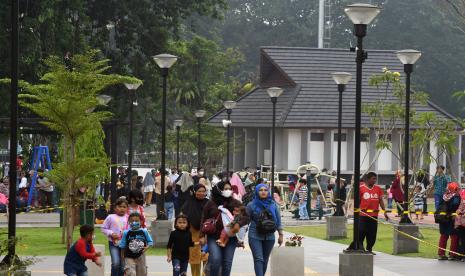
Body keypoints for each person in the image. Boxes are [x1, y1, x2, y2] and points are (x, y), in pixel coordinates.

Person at [201, 181, 249, 276]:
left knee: (227, 263)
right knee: (215, 260)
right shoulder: (211, 203)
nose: (228, 191)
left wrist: (238, 224)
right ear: (219, 190)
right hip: (213, 237)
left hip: (231, 238)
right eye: (225, 189)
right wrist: (202, 235)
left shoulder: (236, 203)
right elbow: (203, 219)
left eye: (229, 189)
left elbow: (246, 217)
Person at [247, 183, 284, 276]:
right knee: (259, 259)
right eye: (260, 190)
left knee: (265, 259)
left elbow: (278, 220)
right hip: (255, 234)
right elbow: (245, 221)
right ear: (256, 191)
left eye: (265, 190)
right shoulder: (251, 205)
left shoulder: (273, 204)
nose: (263, 192)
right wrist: (239, 237)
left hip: (270, 235)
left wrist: (281, 235)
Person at [181, 184, 209, 276]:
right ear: (194, 192)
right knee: (195, 260)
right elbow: (183, 220)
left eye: (203, 191)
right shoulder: (188, 203)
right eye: (199, 191)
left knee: (207, 259)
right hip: (193, 235)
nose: (201, 193)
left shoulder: (209, 203)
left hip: (207, 234)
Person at [359, 172, 389, 254]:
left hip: (374, 215)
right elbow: (357, 201)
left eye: (376, 179)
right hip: (363, 215)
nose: (375, 180)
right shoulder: (361, 188)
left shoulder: (378, 189)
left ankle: (369, 249)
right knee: (361, 231)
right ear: (368, 179)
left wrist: (384, 212)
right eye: (373, 179)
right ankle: (360, 248)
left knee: (372, 234)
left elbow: (380, 201)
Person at [102, 197, 129, 276]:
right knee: (116, 263)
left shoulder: (128, 218)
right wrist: (111, 233)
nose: (122, 209)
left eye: (124, 207)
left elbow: (131, 229)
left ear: (127, 208)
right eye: (119, 206)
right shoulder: (110, 217)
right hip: (113, 244)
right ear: (115, 208)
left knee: (123, 265)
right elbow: (103, 228)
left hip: (125, 245)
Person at [437, 182, 461, 261]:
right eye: (457, 188)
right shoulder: (456, 196)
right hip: (452, 219)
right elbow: (455, 205)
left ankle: (441, 254)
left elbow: (438, 206)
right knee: (454, 236)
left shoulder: (443, 195)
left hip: (443, 219)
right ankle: (452, 254)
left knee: (443, 236)